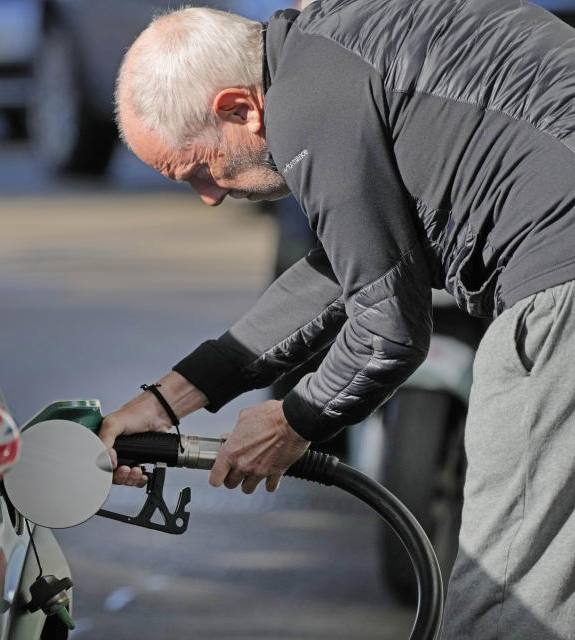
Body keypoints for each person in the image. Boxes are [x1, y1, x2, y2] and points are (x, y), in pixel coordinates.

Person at [99, 2, 575, 638]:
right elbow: (340, 274)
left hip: (560, 281)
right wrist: (167, 400)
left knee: (506, 604)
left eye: (200, 170)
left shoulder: (310, 100)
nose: (210, 197)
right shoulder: (333, 53)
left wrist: (295, 420)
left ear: (240, 108)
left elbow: (388, 329)